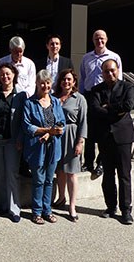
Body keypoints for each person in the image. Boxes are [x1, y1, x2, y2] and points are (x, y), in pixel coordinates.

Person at [89, 59, 134, 225]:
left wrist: (107, 106)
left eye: (113, 70)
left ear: (118, 70)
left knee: (124, 175)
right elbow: (95, 109)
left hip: (123, 137)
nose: (110, 74)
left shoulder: (127, 87)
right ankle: (110, 207)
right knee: (108, 174)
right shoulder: (96, 90)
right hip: (105, 137)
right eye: (106, 71)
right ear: (102, 73)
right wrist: (115, 109)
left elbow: (128, 105)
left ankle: (126, 210)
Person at [23, 69, 65, 225]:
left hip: (53, 147)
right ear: (37, 83)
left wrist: (53, 133)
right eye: (42, 82)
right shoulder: (30, 103)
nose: (45, 85)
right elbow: (27, 127)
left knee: (49, 180)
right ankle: (36, 212)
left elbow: (61, 123)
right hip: (37, 147)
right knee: (38, 180)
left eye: (48, 82)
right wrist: (47, 131)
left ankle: (47, 211)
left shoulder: (55, 101)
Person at [79, 29, 122, 178]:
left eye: (102, 38)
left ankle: (101, 162)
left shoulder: (114, 57)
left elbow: (119, 78)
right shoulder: (86, 58)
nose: (99, 41)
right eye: (97, 38)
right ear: (93, 40)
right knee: (89, 130)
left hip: (107, 94)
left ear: (106, 39)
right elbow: (83, 79)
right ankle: (88, 162)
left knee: (104, 131)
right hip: (91, 95)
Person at [0, 63, 26, 222]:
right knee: (1, 174)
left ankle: (14, 208)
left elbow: (24, 120)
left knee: (12, 174)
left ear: (14, 75)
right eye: (2, 74)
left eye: (8, 74)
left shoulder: (21, 95)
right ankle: (4, 205)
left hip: (13, 141)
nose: (5, 77)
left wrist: (20, 139)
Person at [52, 69, 87, 222]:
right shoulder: (54, 98)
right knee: (59, 170)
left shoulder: (79, 99)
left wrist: (80, 142)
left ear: (74, 82)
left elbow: (83, 122)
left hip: (72, 136)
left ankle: (72, 206)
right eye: (63, 79)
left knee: (71, 172)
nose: (66, 82)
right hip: (56, 136)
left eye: (69, 79)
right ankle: (61, 198)